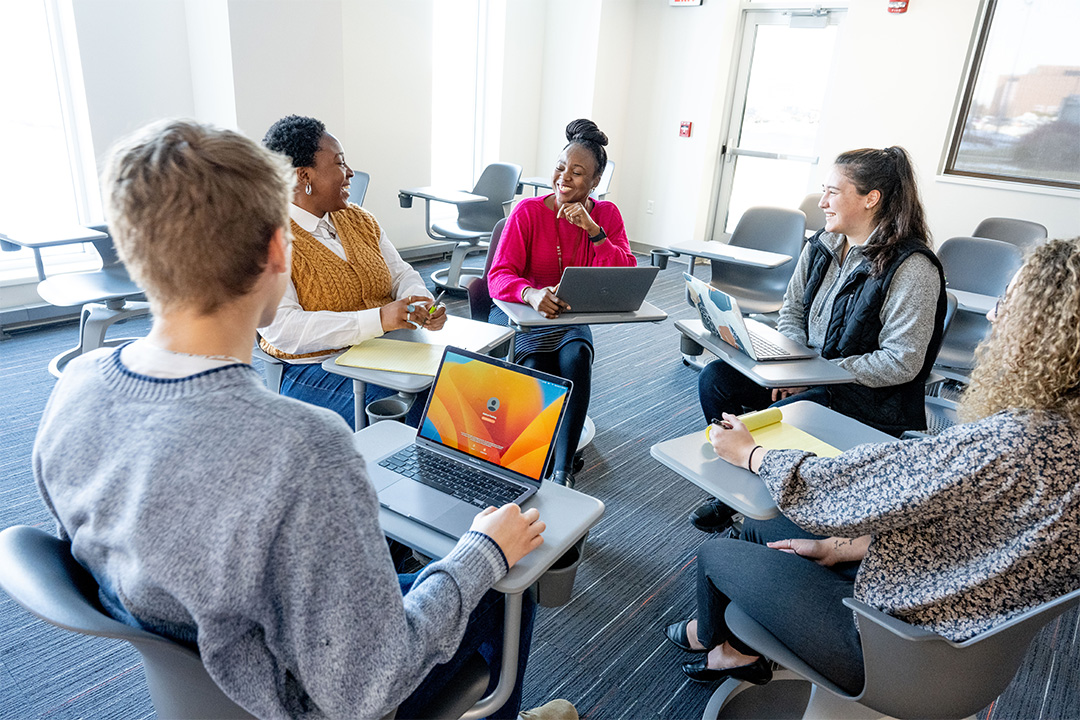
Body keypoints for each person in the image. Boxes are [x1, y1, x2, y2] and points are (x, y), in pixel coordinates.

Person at [32, 119, 552, 718]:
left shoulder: (77, 386)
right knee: (511, 586)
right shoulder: (305, 449)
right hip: (308, 697)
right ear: (280, 249)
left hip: (212, 679)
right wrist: (483, 551)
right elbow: (369, 684)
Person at [665, 237, 1080, 694]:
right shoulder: (1063, 436)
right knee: (759, 531)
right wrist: (837, 549)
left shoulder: (1013, 441)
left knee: (718, 552)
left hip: (893, 642)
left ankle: (715, 643)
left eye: (1008, 302)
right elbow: (967, 532)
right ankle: (728, 646)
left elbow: (849, 496)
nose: (991, 315)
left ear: (1048, 330)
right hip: (958, 624)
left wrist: (752, 454)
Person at [691, 146, 947, 531]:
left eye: (833, 192)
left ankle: (775, 494)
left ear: (870, 199)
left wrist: (815, 375)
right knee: (716, 380)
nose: (822, 201)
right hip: (808, 379)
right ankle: (739, 489)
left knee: (795, 410)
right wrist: (792, 370)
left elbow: (901, 362)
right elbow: (791, 312)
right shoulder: (822, 246)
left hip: (869, 400)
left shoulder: (913, 268)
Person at [260, 114, 446, 428]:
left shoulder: (359, 219)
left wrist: (419, 300)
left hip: (382, 352)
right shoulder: (269, 236)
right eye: (340, 164)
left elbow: (400, 273)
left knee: (464, 386)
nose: (350, 173)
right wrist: (379, 319)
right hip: (315, 369)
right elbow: (283, 329)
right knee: (425, 414)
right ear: (303, 176)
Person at [487, 119, 636, 488]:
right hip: (520, 311)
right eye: (560, 167)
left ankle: (563, 470)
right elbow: (498, 276)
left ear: (595, 182)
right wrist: (531, 293)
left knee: (576, 358)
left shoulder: (606, 215)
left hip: (570, 313)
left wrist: (594, 232)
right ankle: (531, 460)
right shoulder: (528, 211)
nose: (564, 177)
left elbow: (626, 274)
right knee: (537, 363)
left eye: (577, 172)